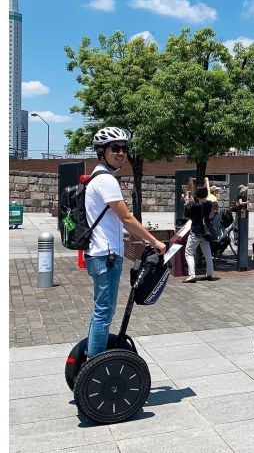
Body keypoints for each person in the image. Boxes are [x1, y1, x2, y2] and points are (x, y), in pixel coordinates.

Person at [84, 127, 166, 357]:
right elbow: (127, 218)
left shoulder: (98, 177)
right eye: (115, 148)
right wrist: (155, 242)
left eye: (124, 148)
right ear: (101, 151)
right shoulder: (106, 180)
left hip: (101, 254)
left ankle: (93, 361)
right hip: (106, 255)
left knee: (102, 311)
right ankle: (94, 365)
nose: (121, 153)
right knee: (104, 312)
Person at [182, 186, 216, 283]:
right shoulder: (209, 204)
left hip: (196, 232)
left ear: (197, 195)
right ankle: (209, 273)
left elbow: (187, 215)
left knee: (189, 253)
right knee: (207, 253)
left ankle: (192, 275)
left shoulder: (195, 206)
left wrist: (187, 203)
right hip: (206, 233)